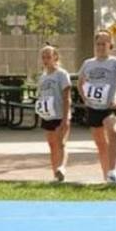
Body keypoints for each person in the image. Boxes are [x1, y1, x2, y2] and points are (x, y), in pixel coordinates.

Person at [77, 30, 116, 183]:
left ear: (111, 45)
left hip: (109, 108)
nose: (101, 47)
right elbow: (80, 83)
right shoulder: (88, 63)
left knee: (113, 131)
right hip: (93, 108)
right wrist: (85, 99)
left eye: (104, 44)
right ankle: (107, 176)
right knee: (101, 144)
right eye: (98, 44)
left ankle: (112, 170)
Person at [36, 44, 72, 182]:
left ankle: (62, 168)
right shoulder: (43, 77)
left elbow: (67, 96)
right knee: (52, 144)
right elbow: (42, 96)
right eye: (43, 57)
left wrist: (65, 117)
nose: (46, 60)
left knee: (61, 143)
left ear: (55, 57)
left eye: (48, 57)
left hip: (60, 114)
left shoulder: (61, 74)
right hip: (48, 115)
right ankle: (55, 173)